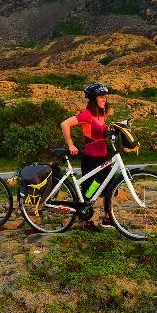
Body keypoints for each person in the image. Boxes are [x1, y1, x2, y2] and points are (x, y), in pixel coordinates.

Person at [61, 82, 114, 230]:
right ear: (93, 99)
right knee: (90, 190)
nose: (105, 99)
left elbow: (101, 132)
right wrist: (70, 144)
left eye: (105, 97)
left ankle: (108, 217)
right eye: (101, 97)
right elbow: (65, 124)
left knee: (109, 187)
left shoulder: (102, 114)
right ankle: (86, 220)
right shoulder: (87, 115)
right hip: (91, 158)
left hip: (104, 156)